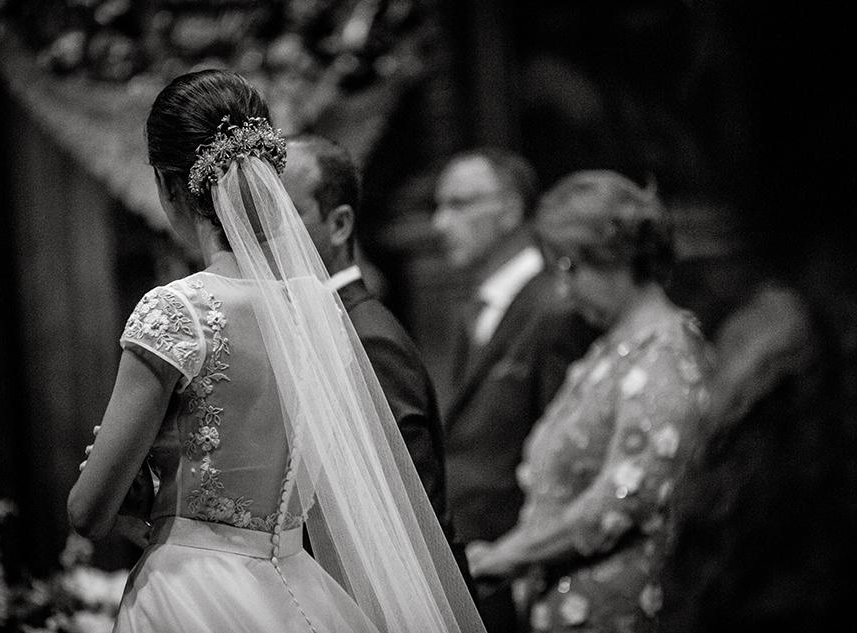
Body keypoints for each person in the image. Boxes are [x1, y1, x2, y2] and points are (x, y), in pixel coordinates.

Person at [68, 70, 484, 633]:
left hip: (194, 592)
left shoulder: (177, 310)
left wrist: (137, 489)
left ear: (168, 185)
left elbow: (87, 513)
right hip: (297, 584)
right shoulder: (320, 310)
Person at [466, 170, 712, 633]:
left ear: (614, 256)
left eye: (569, 268)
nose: (563, 290)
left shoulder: (665, 355)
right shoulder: (614, 345)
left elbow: (623, 499)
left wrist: (507, 555)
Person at [281, 134, 476, 595]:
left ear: (339, 224)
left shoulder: (366, 339)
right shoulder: (318, 326)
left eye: (283, 214)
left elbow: (414, 509)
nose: (263, 235)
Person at [433, 149, 597, 630]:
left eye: (459, 204)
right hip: (473, 556)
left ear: (509, 209)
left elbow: (566, 447)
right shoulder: (471, 307)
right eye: (439, 206)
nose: (440, 224)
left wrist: (524, 552)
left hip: (519, 558)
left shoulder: (555, 309)